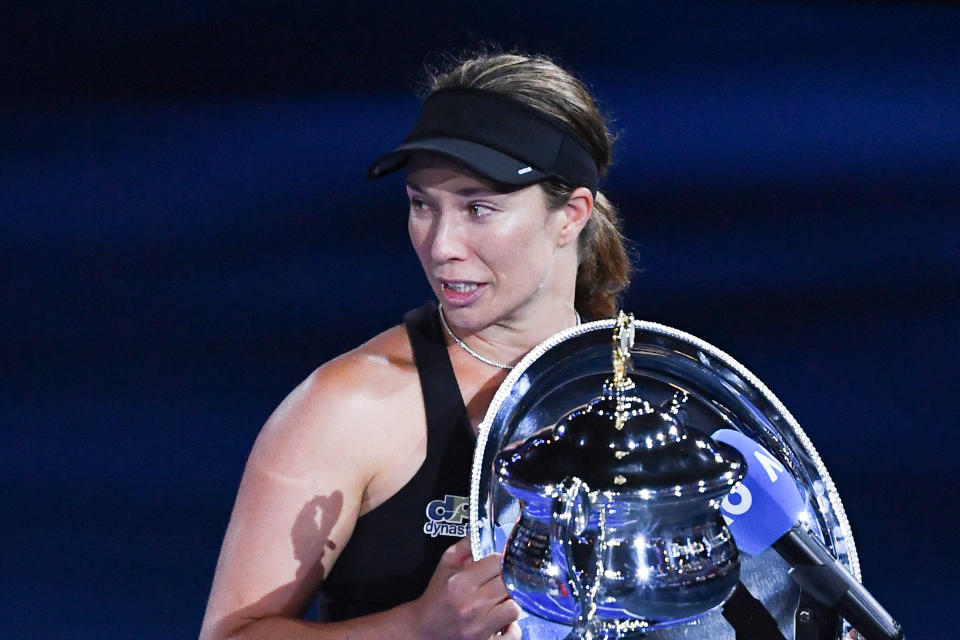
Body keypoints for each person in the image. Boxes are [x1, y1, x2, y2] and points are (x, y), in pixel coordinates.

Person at [199, 50, 630, 640]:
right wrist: (418, 628)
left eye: (479, 208)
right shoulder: (347, 406)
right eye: (422, 205)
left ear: (570, 214)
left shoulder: (655, 391)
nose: (441, 244)